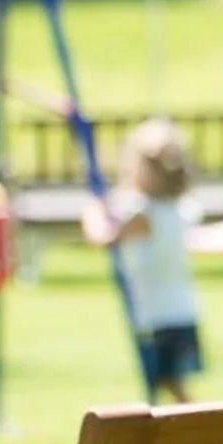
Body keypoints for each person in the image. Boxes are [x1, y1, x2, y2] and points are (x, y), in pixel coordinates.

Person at [84, 117, 205, 405]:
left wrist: (90, 209)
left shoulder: (143, 214)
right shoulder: (179, 208)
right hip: (182, 310)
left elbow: (104, 237)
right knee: (167, 385)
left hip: (156, 316)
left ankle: (194, 433)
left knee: (167, 386)